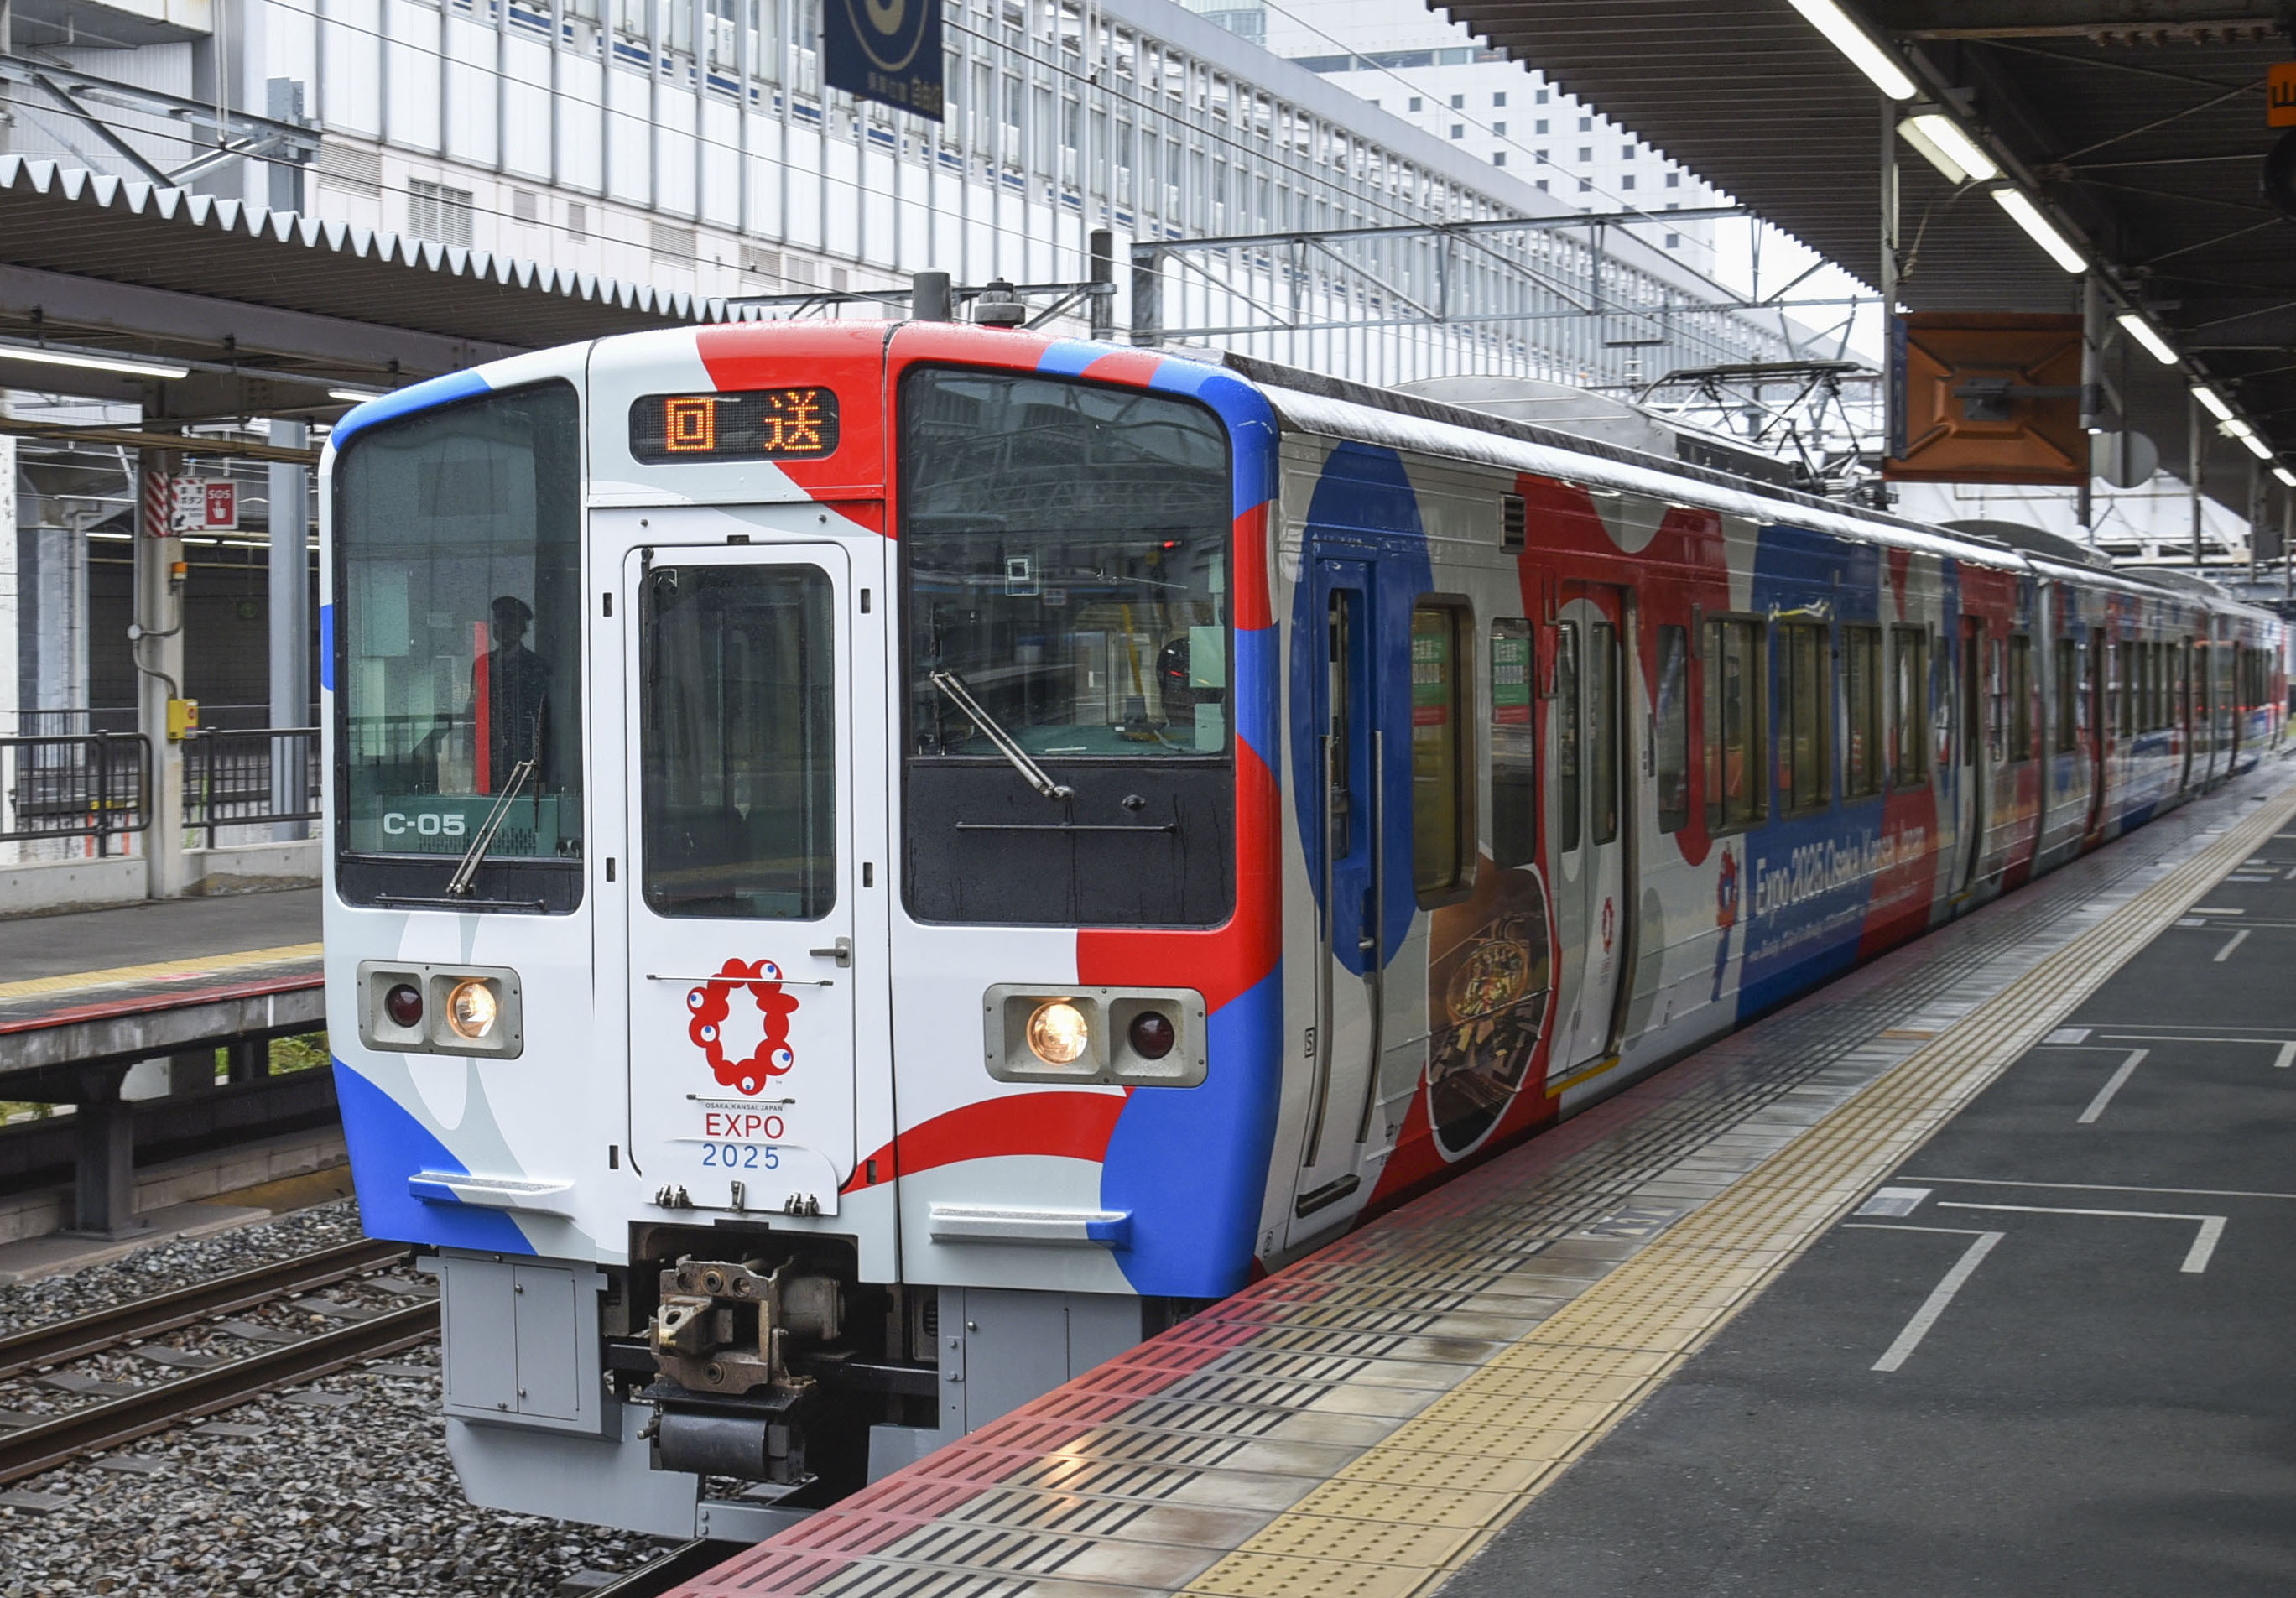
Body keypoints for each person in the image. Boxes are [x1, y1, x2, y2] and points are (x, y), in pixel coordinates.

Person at [473, 595, 550, 791]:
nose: (501, 625)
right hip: (489, 756)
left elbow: (541, 717)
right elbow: (475, 708)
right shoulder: (482, 664)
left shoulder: (536, 666)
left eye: (509, 619)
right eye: (498, 618)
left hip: (523, 758)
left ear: (521, 627)